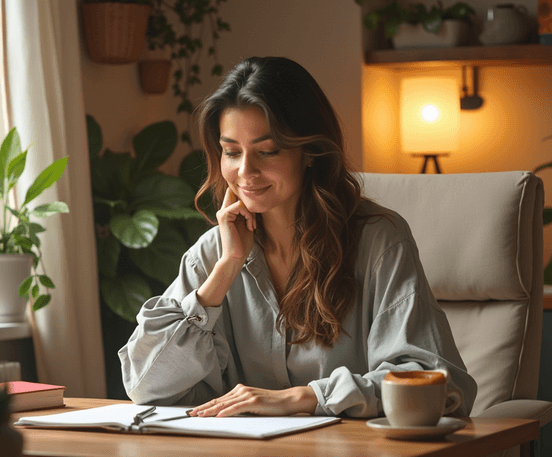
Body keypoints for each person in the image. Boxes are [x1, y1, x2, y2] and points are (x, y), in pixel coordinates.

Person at [120, 56, 477, 418]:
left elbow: (438, 384)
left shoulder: (378, 241)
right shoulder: (215, 252)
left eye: (267, 151)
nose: (245, 172)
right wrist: (226, 269)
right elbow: (145, 383)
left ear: (309, 152)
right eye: (231, 152)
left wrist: (305, 397)